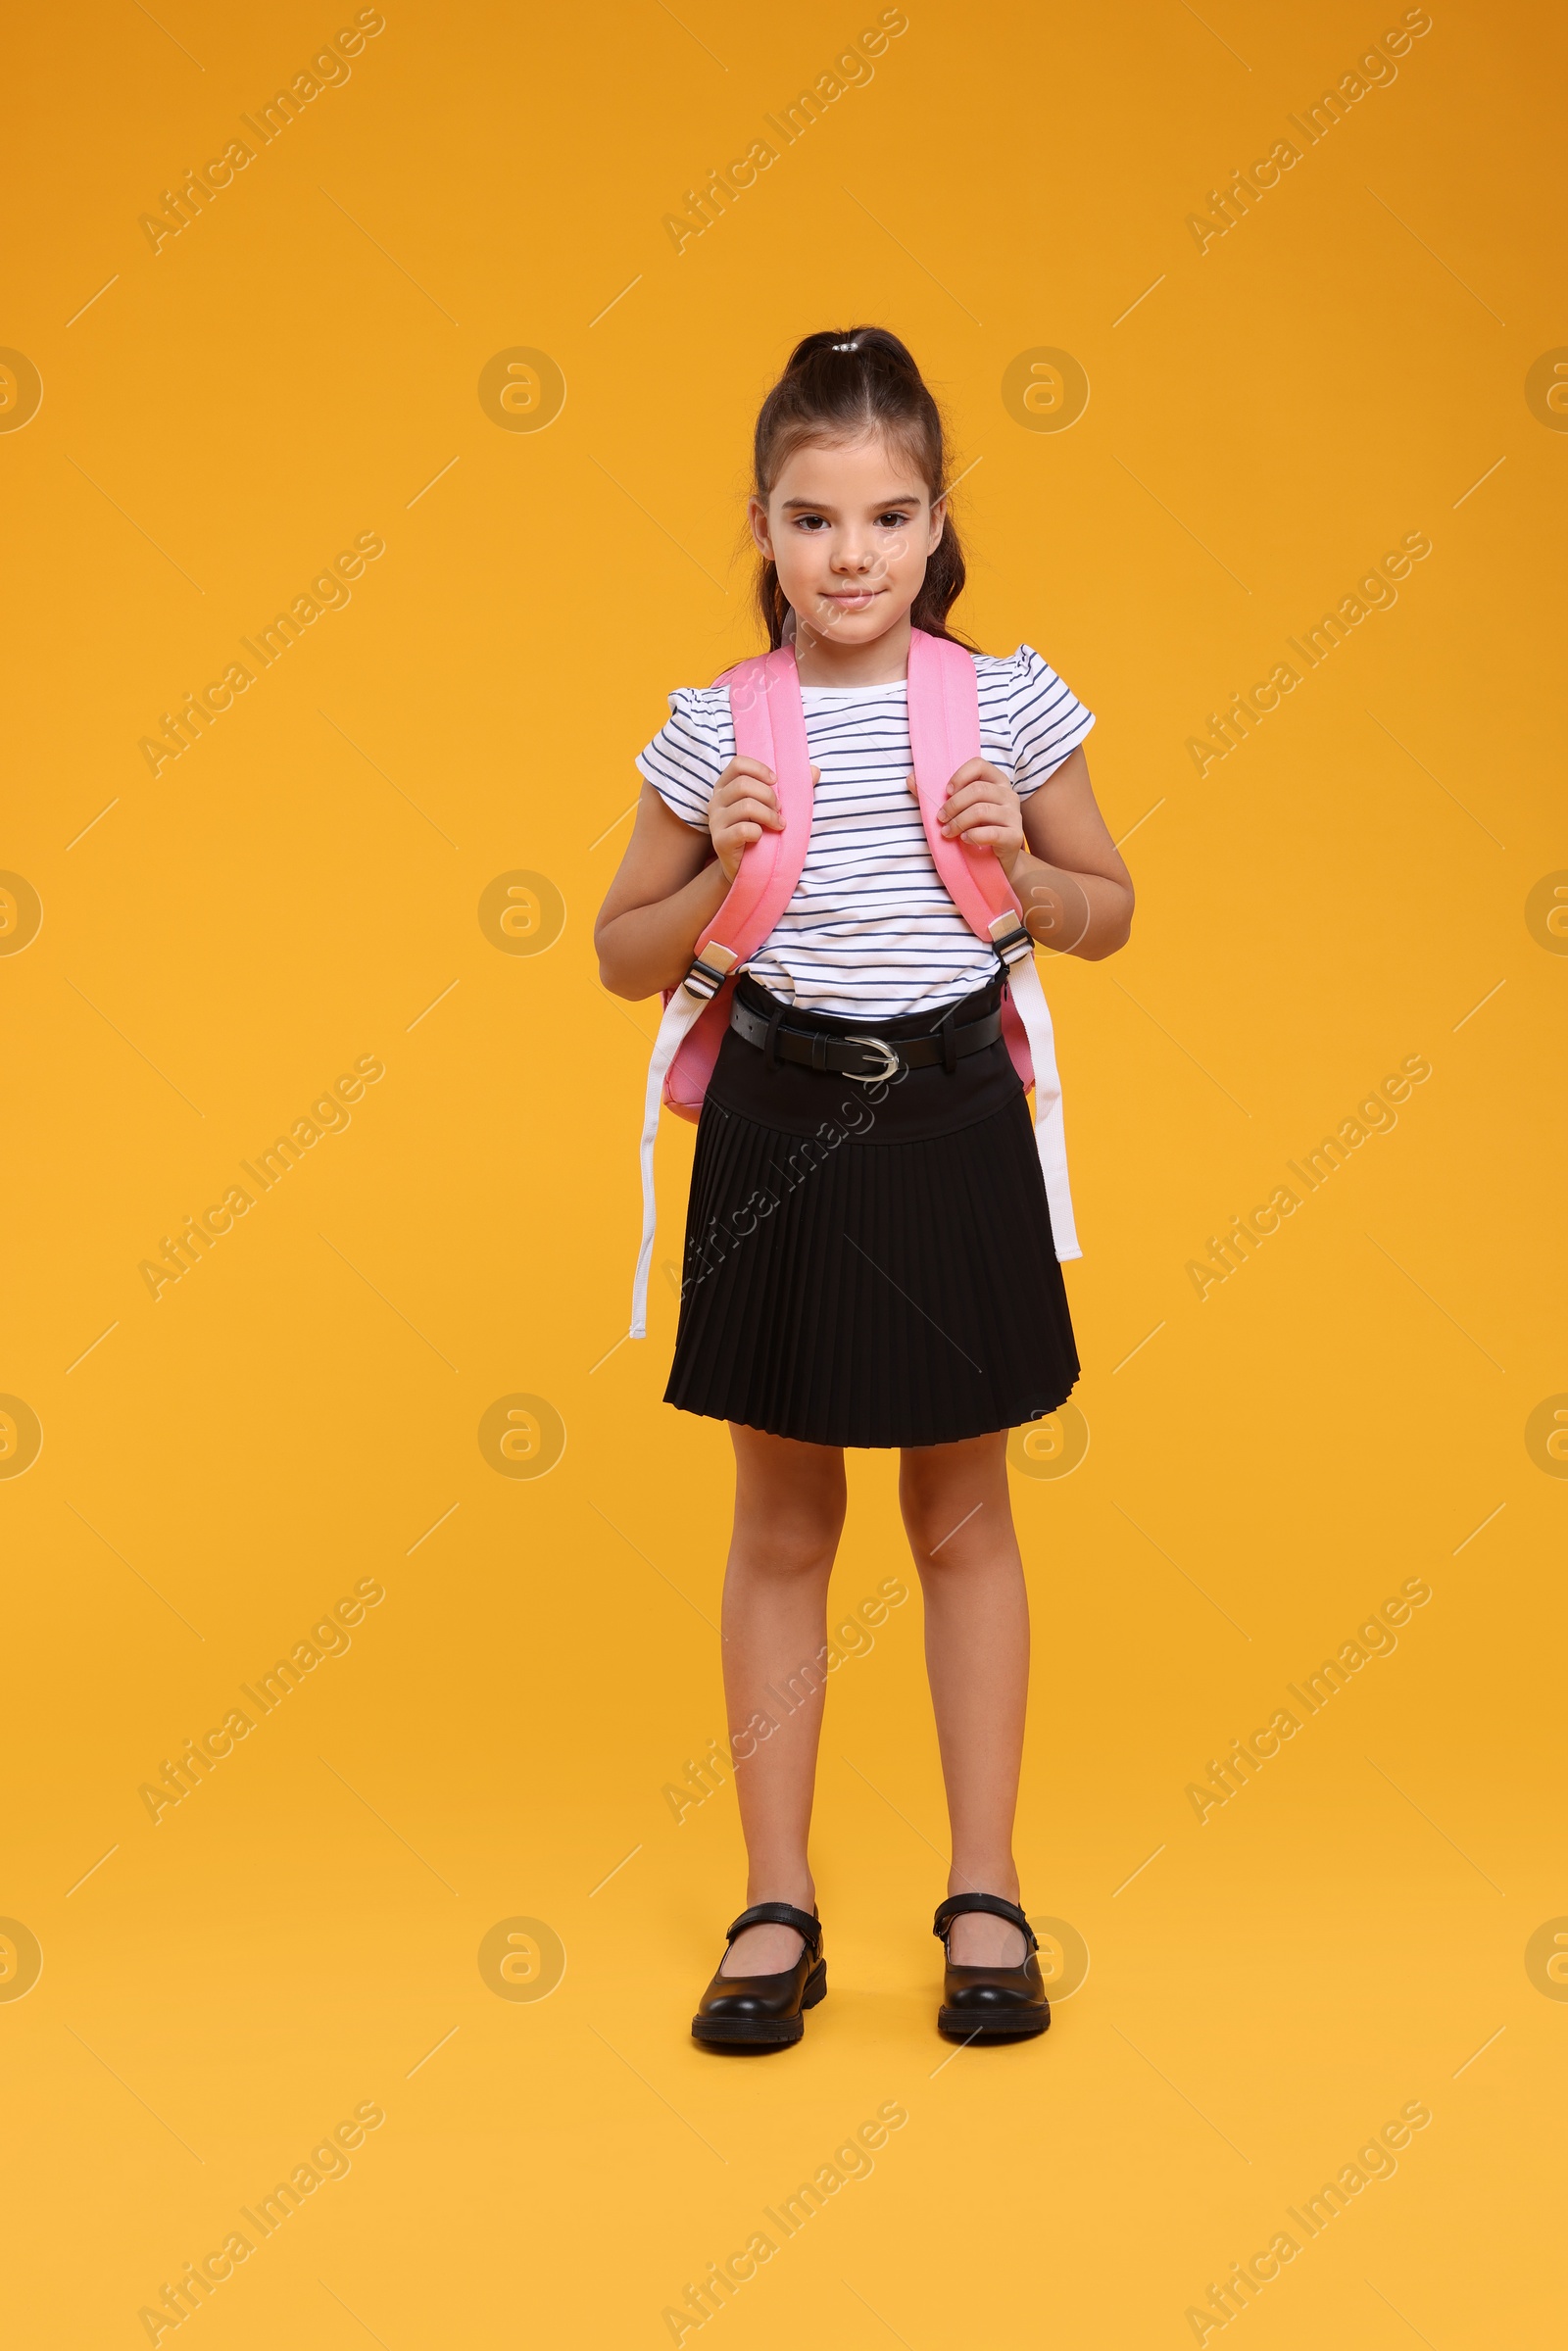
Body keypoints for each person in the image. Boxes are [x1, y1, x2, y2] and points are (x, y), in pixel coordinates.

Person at [595, 327, 1134, 2048]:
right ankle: (779, 1900)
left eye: (888, 517)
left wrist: (1026, 869)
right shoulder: (711, 728)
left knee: (963, 1521)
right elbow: (620, 956)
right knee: (782, 1524)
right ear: (762, 524)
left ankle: (986, 1890)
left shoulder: (1008, 698)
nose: (852, 556)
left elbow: (1112, 907)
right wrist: (721, 874)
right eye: (815, 520)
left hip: (954, 1118)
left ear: (934, 521)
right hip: (779, 1119)